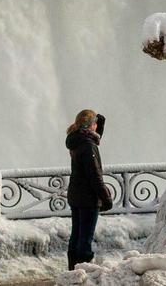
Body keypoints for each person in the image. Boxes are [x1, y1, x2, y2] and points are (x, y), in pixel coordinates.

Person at [65, 109, 113, 270]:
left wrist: (100, 124)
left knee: (76, 235)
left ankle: (72, 270)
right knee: (85, 239)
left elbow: (93, 138)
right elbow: (95, 176)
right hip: (87, 198)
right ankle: (82, 273)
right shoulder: (88, 146)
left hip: (75, 195)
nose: (96, 126)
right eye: (95, 124)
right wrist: (106, 198)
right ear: (90, 126)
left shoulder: (76, 139)